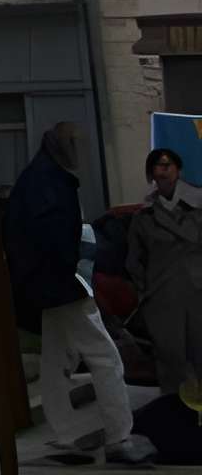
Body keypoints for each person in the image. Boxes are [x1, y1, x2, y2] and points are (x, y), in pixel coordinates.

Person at [13, 125, 153, 462]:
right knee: (105, 357)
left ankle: (69, 435)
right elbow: (56, 237)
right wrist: (72, 273)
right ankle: (118, 437)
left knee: (56, 360)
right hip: (64, 285)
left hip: (49, 285)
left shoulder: (39, 179)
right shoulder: (50, 182)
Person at [133, 149, 202, 414]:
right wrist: (146, 294)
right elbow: (134, 261)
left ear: (179, 170)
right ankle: (177, 416)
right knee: (171, 360)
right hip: (162, 296)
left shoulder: (198, 207)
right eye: (157, 166)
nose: (163, 170)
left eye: (168, 165)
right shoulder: (144, 217)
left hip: (197, 291)